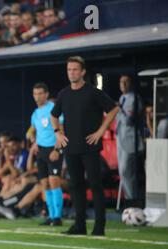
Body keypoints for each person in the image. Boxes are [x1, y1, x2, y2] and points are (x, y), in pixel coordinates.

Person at [51, 56, 119, 236]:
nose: (71, 72)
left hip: (90, 146)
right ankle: (79, 226)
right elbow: (54, 115)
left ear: (82, 72)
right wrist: (57, 133)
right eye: (69, 70)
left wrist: (100, 131)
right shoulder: (63, 94)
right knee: (76, 186)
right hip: (71, 147)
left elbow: (113, 109)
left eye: (75, 69)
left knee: (96, 186)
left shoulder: (93, 92)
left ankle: (99, 227)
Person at [28, 82, 64, 226]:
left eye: (40, 93)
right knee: (44, 184)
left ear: (46, 94)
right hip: (41, 151)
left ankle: (57, 217)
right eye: (35, 94)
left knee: (54, 182)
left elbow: (61, 130)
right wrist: (33, 140)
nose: (37, 97)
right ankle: (50, 216)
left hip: (53, 149)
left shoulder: (53, 109)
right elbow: (32, 129)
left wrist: (57, 149)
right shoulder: (35, 113)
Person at [116, 75, 144, 205]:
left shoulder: (134, 98)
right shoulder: (122, 98)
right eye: (122, 82)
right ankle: (129, 199)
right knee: (122, 171)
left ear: (131, 84)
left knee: (127, 170)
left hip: (131, 140)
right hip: (120, 138)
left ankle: (132, 199)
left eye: (126, 82)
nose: (123, 84)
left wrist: (119, 109)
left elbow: (128, 120)